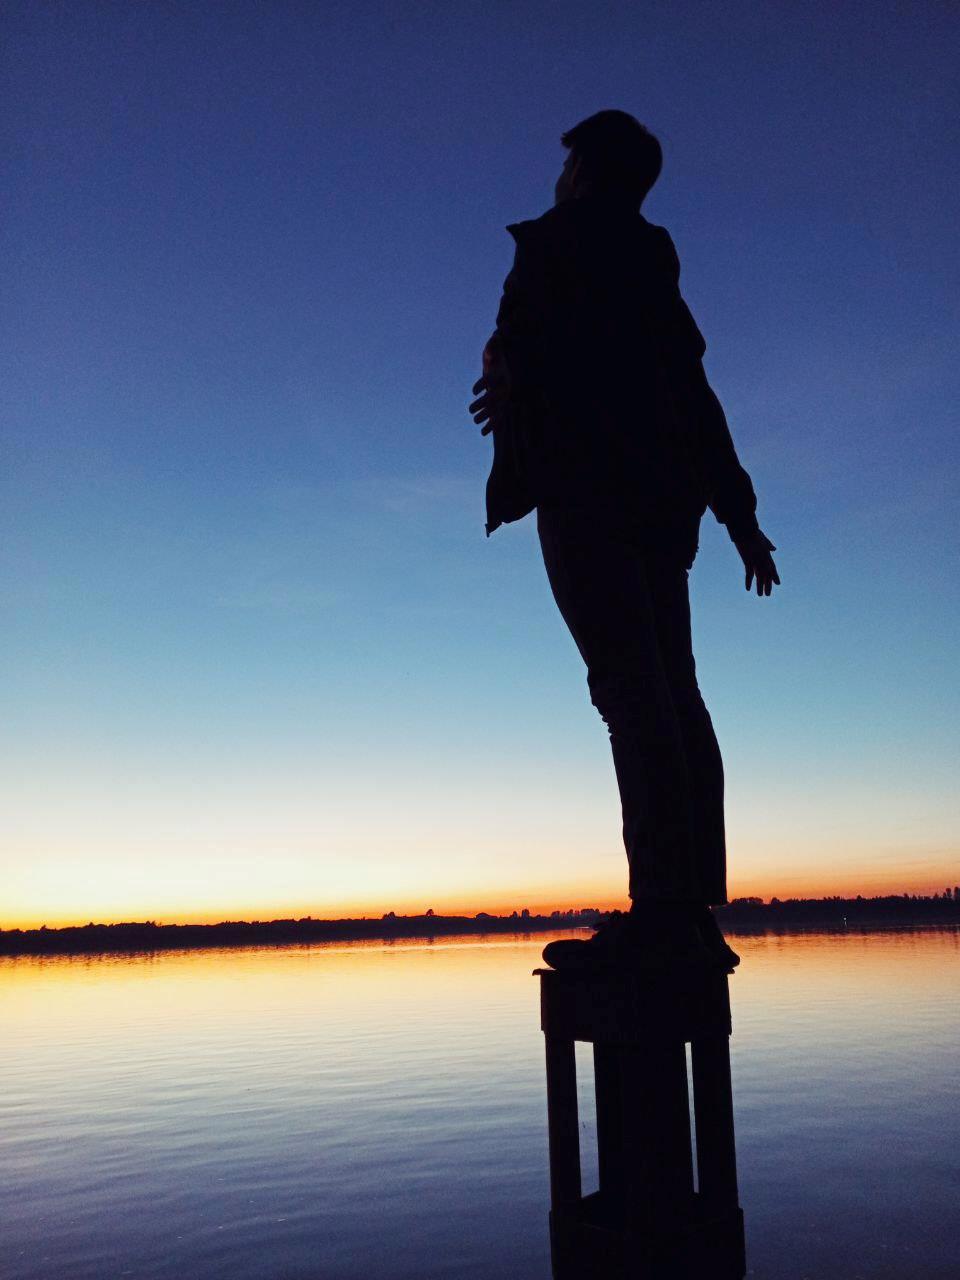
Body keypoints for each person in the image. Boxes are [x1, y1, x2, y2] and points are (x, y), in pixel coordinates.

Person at [468, 110, 779, 973]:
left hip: (588, 493)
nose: (557, 176)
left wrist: (509, 376)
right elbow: (692, 392)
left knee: (632, 694)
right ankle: (689, 913)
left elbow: (537, 354)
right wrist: (737, 511)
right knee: (672, 692)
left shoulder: (558, 244)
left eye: (567, 162)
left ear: (585, 172)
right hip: (663, 504)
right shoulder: (650, 266)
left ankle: (663, 917)